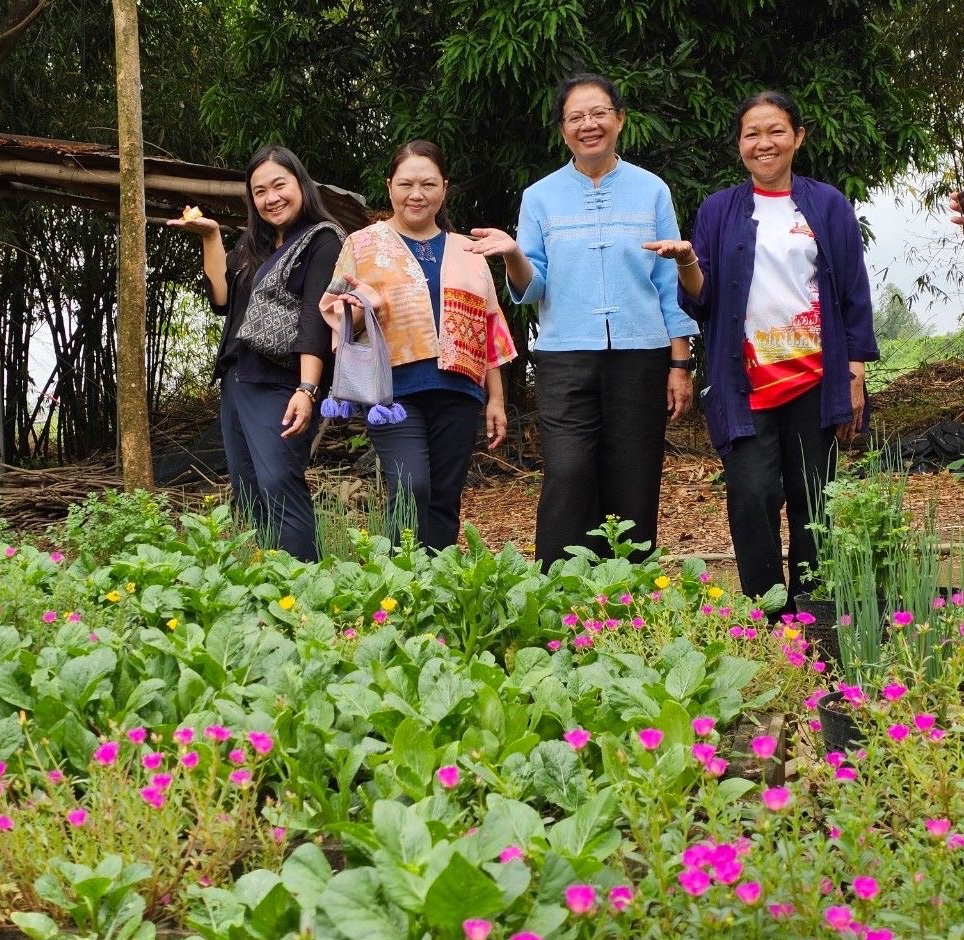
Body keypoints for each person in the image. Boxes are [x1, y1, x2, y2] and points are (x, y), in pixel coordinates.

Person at [645, 90, 878, 607]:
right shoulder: (719, 209)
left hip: (816, 380)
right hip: (744, 382)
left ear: (798, 137)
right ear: (739, 145)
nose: (763, 142)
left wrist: (855, 372)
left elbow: (853, 293)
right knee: (752, 496)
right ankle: (768, 615)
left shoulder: (828, 204)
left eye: (775, 130)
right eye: (752, 133)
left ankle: (814, 617)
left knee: (812, 500)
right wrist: (686, 262)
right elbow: (702, 303)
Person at [466, 73, 698, 568]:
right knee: (569, 471)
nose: (588, 125)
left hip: (642, 353)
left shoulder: (651, 190)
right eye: (575, 117)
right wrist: (511, 254)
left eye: (598, 114)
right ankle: (560, 589)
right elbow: (533, 288)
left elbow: (668, 279)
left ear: (619, 119)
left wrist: (680, 362)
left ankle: (628, 593)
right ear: (562, 129)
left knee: (634, 474)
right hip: (565, 355)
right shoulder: (540, 196)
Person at [320, 140, 516, 551]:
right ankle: (399, 579)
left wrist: (495, 398)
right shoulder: (362, 244)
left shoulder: (469, 249)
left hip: (460, 390)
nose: (417, 193)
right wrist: (363, 306)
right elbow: (333, 314)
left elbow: (489, 325)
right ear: (389, 186)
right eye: (406, 183)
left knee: (445, 496)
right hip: (392, 392)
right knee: (412, 487)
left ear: (444, 188)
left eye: (428, 184)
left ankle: (437, 589)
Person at [168, 145, 343, 562]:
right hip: (237, 379)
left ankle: (304, 584)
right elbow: (223, 299)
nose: (271, 197)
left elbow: (315, 318)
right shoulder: (255, 244)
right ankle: (274, 580)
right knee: (249, 488)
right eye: (260, 191)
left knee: (279, 479)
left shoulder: (322, 240)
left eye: (279, 185)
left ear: (301, 184)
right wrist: (211, 237)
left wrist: (307, 388)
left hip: (281, 380)